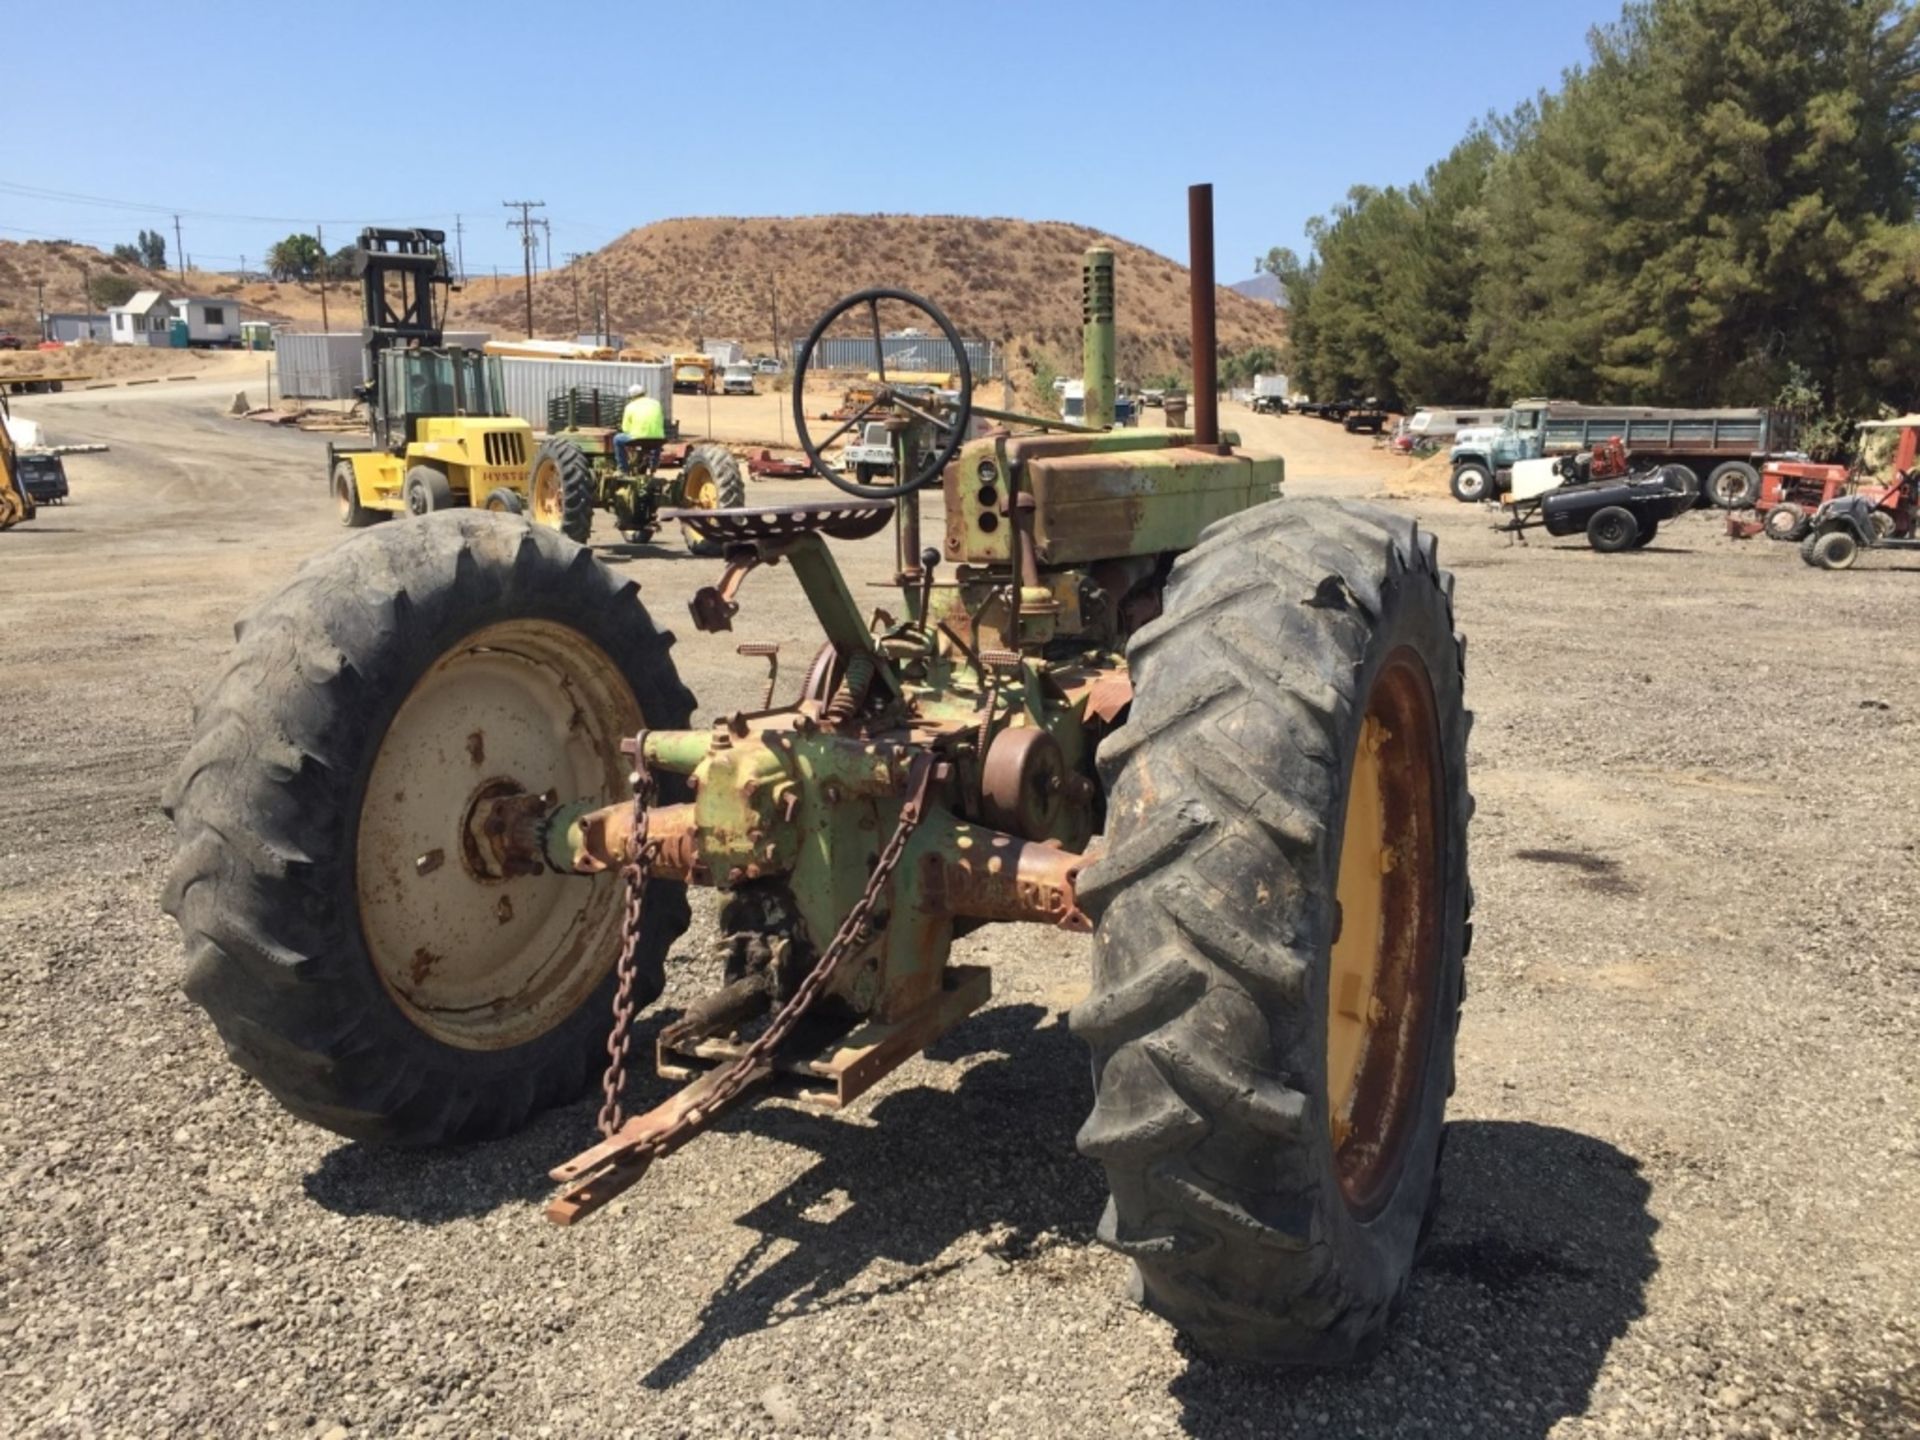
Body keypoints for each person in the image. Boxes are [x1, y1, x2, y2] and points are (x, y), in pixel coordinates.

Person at [614, 384, 665, 473]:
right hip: (659, 438)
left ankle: (623, 469)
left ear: (631, 397)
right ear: (644, 393)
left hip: (638, 438)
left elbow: (625, 428)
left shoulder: (629, 406)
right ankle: (654, 465)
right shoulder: (656, 403)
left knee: (617, 439)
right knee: (656, 442)